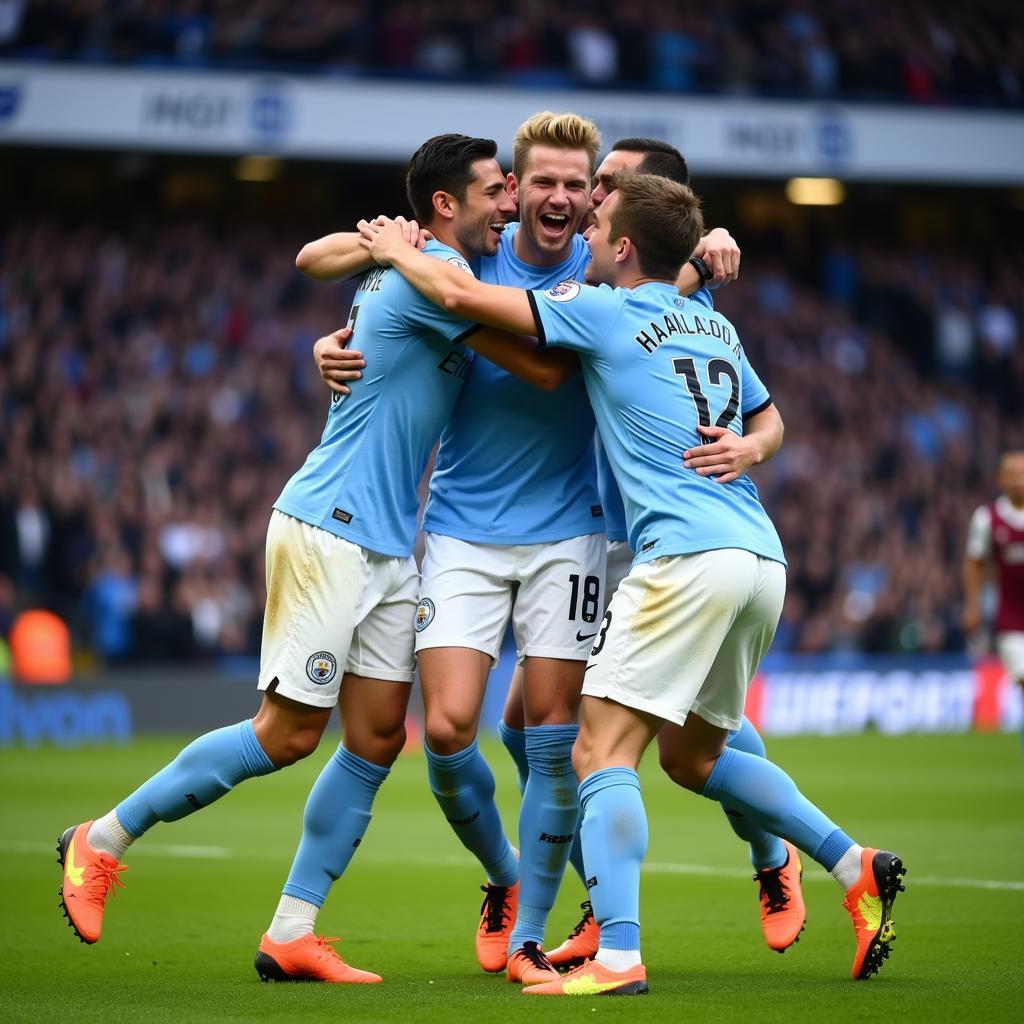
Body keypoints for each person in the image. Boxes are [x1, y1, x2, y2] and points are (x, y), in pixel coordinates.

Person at [360, 169, 907, 994]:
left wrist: (393, 249)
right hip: (758, 558)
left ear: (622, 246)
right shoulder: (708, 325)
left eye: (598, 218)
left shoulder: (605, 311)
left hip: (683, 558)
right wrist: (754, 449)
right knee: (694, 756)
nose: (582, 226)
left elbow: (464, 299)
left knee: (596, 749)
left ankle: (617, 953)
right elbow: (766, 416)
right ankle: (849, 861)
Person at [302, 113, 752, 985]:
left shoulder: (606, 275)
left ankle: (529, 936)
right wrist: (332, 336)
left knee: (556, 739)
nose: (556, 196)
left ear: (595, 200)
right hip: (463, 525)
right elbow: (322, 257)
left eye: (573, 185)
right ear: (513, 190)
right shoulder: (475, 248)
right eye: (537, 180)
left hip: (572, 531)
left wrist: (717, 239)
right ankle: (505, 878)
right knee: (444, 731)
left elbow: (677, 256)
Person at [56, 134, 517, 985]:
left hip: (385, 543)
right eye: (497, 190)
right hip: (331, 527)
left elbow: (320, 257)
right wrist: (386, 247)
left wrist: (380, 246)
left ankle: (292, 931)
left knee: (377, 738)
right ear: (447, 205)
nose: (513, 202)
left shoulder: (415, 261)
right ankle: (102, 839)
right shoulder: (433, 281)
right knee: (289, 732)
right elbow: (484, 317)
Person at [499, 138, 803, 969]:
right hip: (609, 533)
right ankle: (617, 899)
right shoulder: (672, 290)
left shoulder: (632, 294)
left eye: (611, 186)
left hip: (669, 544)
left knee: (642, 741)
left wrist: (752, 447)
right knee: (532, 724)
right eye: (593, 181)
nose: (592, 196)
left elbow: (762, 411)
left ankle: (762, 863)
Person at [964, 449, 1024, 753]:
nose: (1018, 479)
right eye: (1012, 473)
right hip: (1012, 620)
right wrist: (973, 606)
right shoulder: (989, 518)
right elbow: (974, 562)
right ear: (1000, 479)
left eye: (1022, 473)